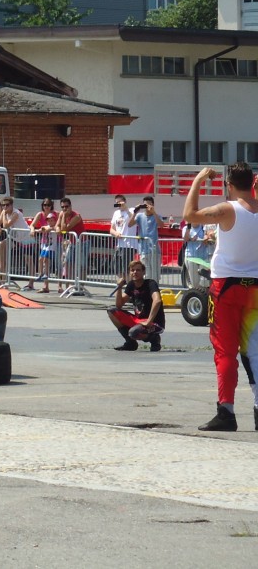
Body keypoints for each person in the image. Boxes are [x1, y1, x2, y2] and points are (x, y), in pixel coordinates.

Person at [182, 163, 258, 433]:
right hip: (255, 287)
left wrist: (198, 180)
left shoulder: (228, 209)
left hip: (226, 285)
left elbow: (190, 214)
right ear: (252, 182)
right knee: (254, 350)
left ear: (229, 184)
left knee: (225, 351)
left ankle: (226, 411)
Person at [107, 259, 165, 351]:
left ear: (143, 272)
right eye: (132, 270)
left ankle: (154, 339)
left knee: (134, 332)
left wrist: (149, 321)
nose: (135, 272)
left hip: (154, 322)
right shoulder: (131, 285)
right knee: (112, 311)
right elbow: (119, 305)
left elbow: (157, 300)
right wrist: (119, 287)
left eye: (138, 270)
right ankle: (130, 343)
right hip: (139, 320)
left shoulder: (150, 283)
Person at [25, 199, 58, 293]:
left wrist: (49, 228)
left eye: (48, 205)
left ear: (51, 205)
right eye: (44, 205)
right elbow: (32, 225)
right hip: (45, 241)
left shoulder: (55, 214)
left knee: (55, 263)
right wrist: (32, 230)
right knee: (42, 260)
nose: (46, 206)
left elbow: (59, 226)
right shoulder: (40, 214)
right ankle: (44, 282)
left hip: (55, 241)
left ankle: (58, 286)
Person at [55, 197, 85, 293]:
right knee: (67, 262)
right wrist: (57, 230)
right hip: (72, 242)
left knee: (80, 265)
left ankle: (80, 287)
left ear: (71, 206)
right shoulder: (61, 214)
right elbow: (57, 226)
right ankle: (70, 285)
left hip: (82, 242)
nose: (64, 209)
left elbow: (65, 229)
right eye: (62, 207)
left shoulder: (76, 216)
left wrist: (63, 217)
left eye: (66, 207)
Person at [0, 197, 29, 282]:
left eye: (7, 205)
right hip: (14, 238)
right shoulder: (4, 212)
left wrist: (3, 214)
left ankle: (31, 284)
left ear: (11, 205)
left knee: (29, 260)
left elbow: (6, 225)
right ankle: (1, 273)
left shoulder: (16, 213)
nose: (5, 207)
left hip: (25, 238)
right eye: (3, 205)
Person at [128, 195, 161, 271]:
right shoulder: (140, 216)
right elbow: (129, 224)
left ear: (152, 205)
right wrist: (135, 212)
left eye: (149, 204)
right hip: (143, 249)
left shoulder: (157, 216)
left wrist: (154, 212)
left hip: (154, 249)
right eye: (145, 205)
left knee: (155, 273)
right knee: (146, 273)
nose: (147, 207)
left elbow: (161, 224)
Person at [109, 195, 140, 273]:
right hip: (120, 244)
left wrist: (126, 209)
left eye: (120, 202)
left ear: (125, 201)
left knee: (126, 268)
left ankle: (128, 283)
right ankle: (122, 282)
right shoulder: (116, 213)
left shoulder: (131, 210)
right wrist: (115, 233)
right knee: (116, 267)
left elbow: (134, 220)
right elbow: (111, 229)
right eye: (117, 203)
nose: (119, 204)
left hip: (129, 244)